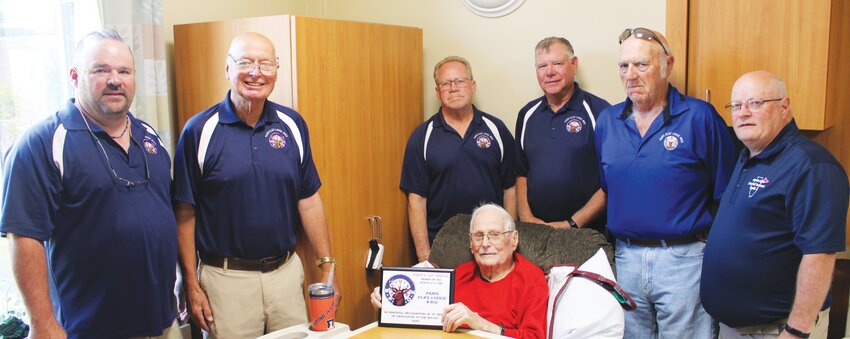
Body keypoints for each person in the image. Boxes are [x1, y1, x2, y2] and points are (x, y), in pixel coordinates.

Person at [0, 30, 181, 338]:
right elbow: (25, 237)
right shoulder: (43, 143)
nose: (115, 80)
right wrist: (42, 322)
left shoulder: (149, 137)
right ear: (74, 76)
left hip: (162, 321)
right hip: (92, 327)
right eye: (101, 70)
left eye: (124, 71)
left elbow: (164, 216)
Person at [172, 32, 338, 338]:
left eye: (265, 64)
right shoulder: (199, 131)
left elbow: (309, 199)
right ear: (227, 69)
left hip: (286, 276)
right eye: (245, 62)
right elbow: (184, 212)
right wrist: (191, 283)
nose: (255, 73)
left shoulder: (292, 125)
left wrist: (327, 266)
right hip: (226, 281)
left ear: (276, 71)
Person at [594, 27, 736, 338]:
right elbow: (610, 187)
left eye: (641, 65)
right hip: (627, 258)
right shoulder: (607, 122)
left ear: (667, 66)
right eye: (623, 66)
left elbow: (727, 195)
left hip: (683, 260)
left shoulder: (700, 117)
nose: (631, 75)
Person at [701, 71, 849, 339]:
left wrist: (796, 330)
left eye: (755, 103)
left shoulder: (811, 166)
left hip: (777, 330)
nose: (743, 112)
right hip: (736, 328)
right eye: (736, 105)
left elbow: (820, 256)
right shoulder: (747, 155)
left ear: (784, 106)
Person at [401, 56, 517, 263]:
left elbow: (510, 188)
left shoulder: (496, 129)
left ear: (473, 86)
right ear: (438, 92)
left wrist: (509, 243)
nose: (453, 88)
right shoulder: (422, 137)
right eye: (446, 83)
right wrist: (424, 256)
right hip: (442, 245)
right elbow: (416, 200)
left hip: (491, 244)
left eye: (460, 81)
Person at [370, 204, 547, 338]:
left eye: (494, 234)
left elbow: (535, 336)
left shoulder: (531, 280)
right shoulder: (459, 274)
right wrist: (389, 302)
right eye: (478, 236)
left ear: (513, 239)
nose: (485, 243)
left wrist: (481, 324)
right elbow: (421, 313)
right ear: (471, 244)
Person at [514, 36, 610, 230]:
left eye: (557, 63)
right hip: (536, 231)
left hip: (585, 232)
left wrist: (573, 223)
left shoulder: (600, 112)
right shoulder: (526, 114)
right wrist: (526, 217)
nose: (549, 72)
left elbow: (611, 180)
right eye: (542, 66)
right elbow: (521, 173)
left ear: (574, 65)